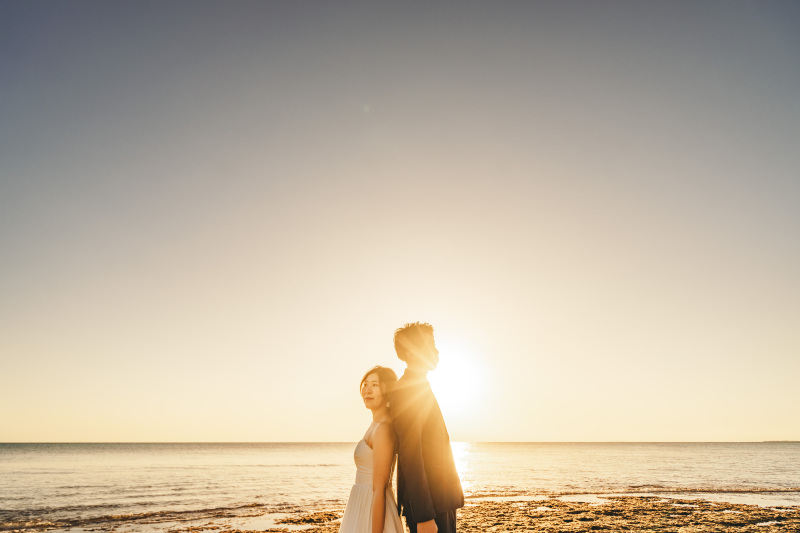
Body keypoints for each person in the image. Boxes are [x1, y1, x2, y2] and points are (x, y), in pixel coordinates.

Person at [390, 323, 464, 533]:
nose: (437, 350)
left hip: (440, 501)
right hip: (431, 508)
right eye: (431, 344)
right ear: (411, 351)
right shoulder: (407, 390)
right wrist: (424, 516)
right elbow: (411, 455)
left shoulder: (419, 384)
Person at [339, 366, 405, 533]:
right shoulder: (374, 425)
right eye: (366, 384)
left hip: (373, 506)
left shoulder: (383, 429)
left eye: (375, 385)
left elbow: (379, 490)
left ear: (387, 390)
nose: (367, 389)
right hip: (361, 502)